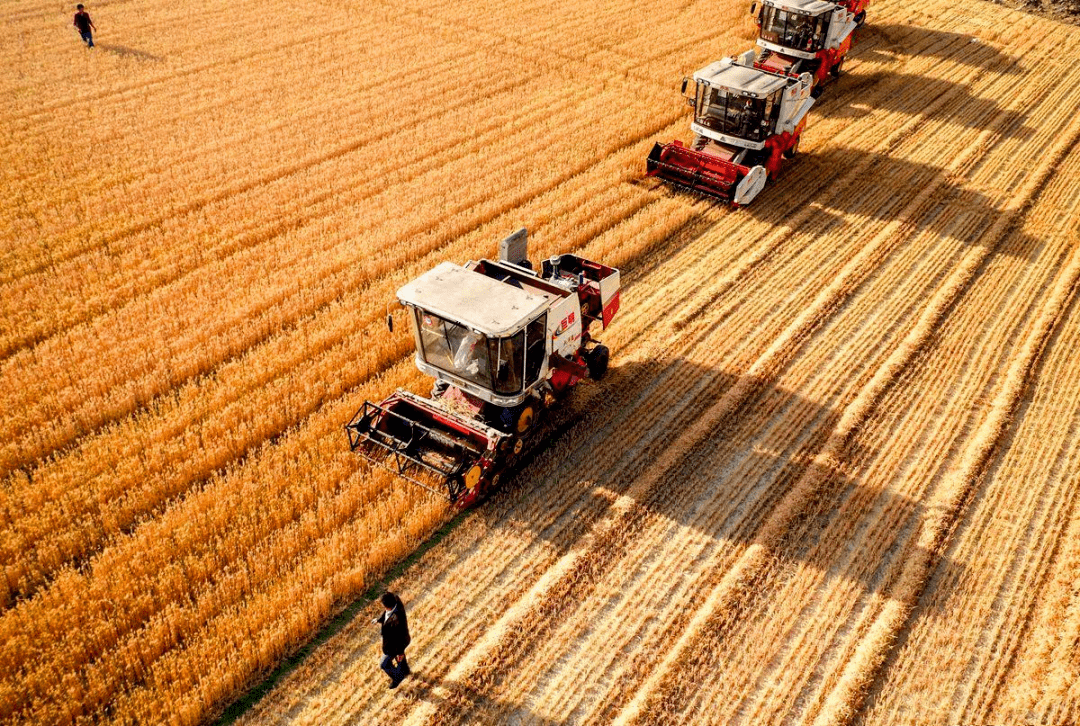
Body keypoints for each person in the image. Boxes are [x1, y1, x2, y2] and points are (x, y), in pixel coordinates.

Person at [372, 592, 411, 689]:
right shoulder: (396, 601)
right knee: (400, 657)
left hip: (396, 645)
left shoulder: (393, 621)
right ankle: (405, 671)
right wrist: (379, 620)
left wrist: (398, 651)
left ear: (386, 606)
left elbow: (395, 637)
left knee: (384, 664)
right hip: (402, 640)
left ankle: (398, 678)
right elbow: (386, 614)